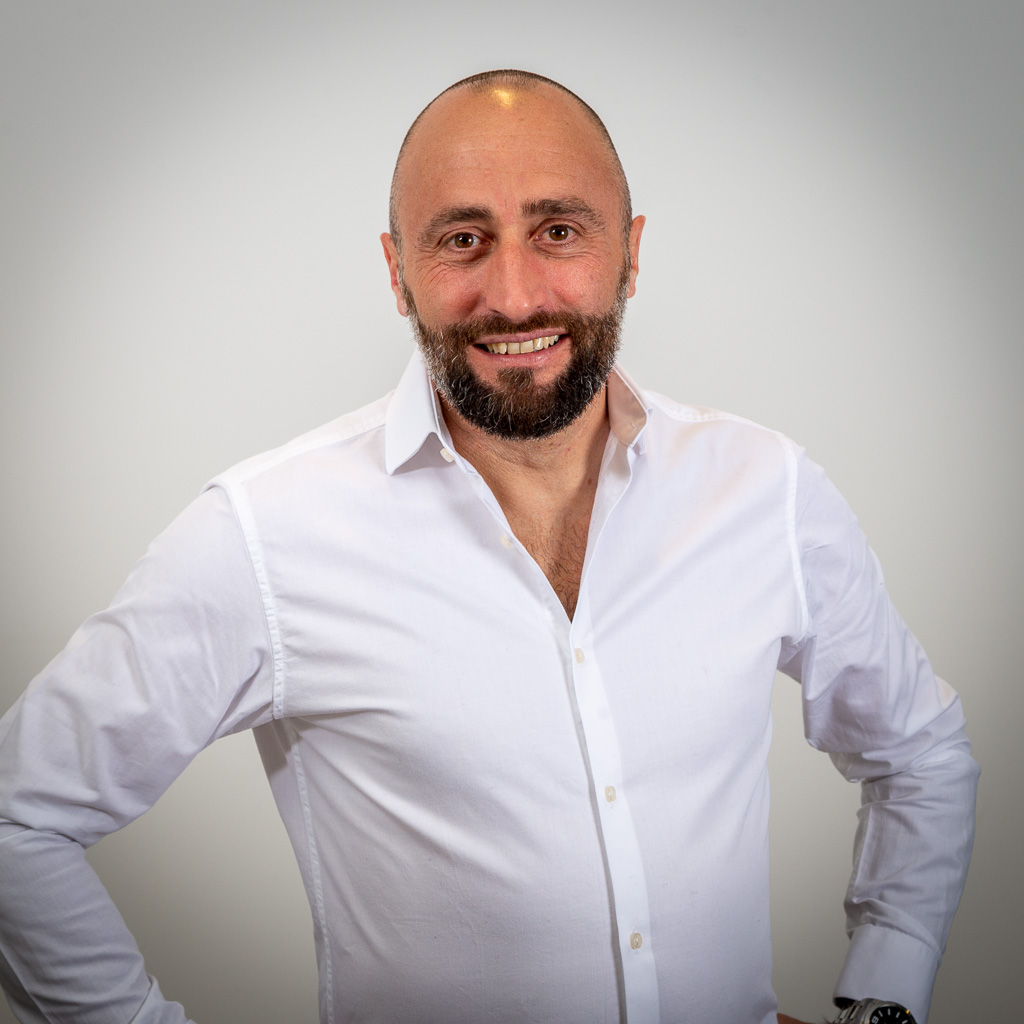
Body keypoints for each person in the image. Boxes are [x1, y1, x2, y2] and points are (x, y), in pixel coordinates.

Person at [0, 70, 978, 1024]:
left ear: (630, 254)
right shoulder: (266, 533)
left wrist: (881, 1000)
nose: (512, 297)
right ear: (398, 272)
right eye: (462, 240)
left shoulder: (764, 488)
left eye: (558, 231)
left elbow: (919, 750)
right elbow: (18, 817)